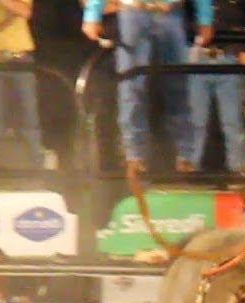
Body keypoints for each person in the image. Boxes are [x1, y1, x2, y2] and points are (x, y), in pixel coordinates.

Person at [81, 0, 214, 173]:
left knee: (179, 86)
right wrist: (92, 13)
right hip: (133, 12)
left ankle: (186, 155)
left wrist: (205, 17)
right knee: (132, 86)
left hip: (171, 12)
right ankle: (134, 156)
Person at [187, 1, 245, 174]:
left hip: (229, 57)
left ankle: (239, 173)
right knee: (193, 120)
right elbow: (178, 17)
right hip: (195, 58)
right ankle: (187, 172)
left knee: (233, 121)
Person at [0, 0, 45, 167]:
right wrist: (4, 22)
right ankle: (0, 170)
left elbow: (26, 11)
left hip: (20, 58)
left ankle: (36, 169)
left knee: (29, 120)